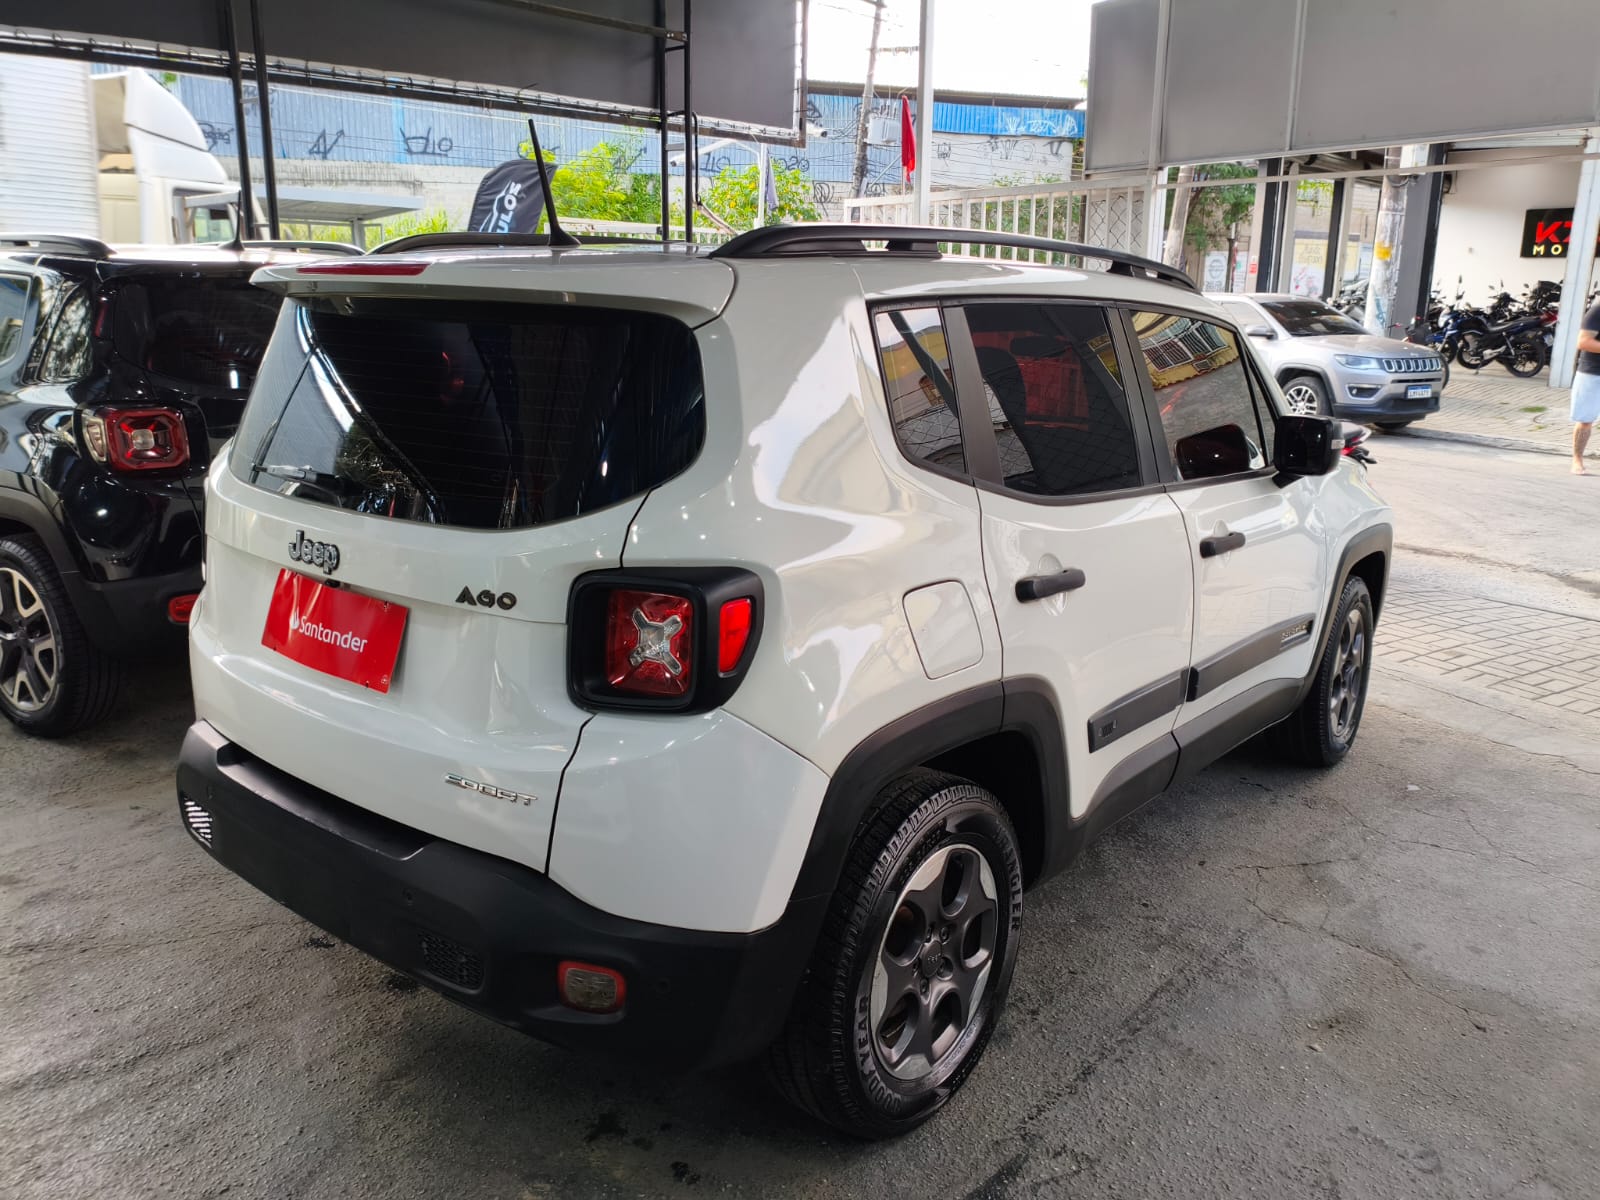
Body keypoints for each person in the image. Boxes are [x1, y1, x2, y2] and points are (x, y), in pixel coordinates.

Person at [1574, 297, 1600, 475]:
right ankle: (1577, 460)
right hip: (1593, 372)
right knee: (1585, 420)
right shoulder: (1598, 310)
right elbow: (1583, 342)